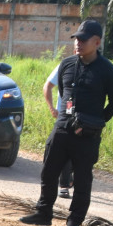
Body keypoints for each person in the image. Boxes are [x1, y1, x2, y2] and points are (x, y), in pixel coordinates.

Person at [20, 19, 113, 226]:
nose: (78, 44)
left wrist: (95, 122)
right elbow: (63, 93)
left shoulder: (108, 71)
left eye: (83, 40)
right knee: (49, 170)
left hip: (87, 136)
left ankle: (74, 222)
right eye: (76, 39)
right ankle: (43, 212)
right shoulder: (67, 64)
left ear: (97, 42)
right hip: (62, 128)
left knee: (82, 180)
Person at [43, 62, 74, 199]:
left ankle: (68, 179)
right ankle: (63, 185)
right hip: (64, 118)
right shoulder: (66, 65)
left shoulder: (97, 67)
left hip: (86, 119)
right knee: (59, 148)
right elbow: (48, 86)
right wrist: (52, 108)